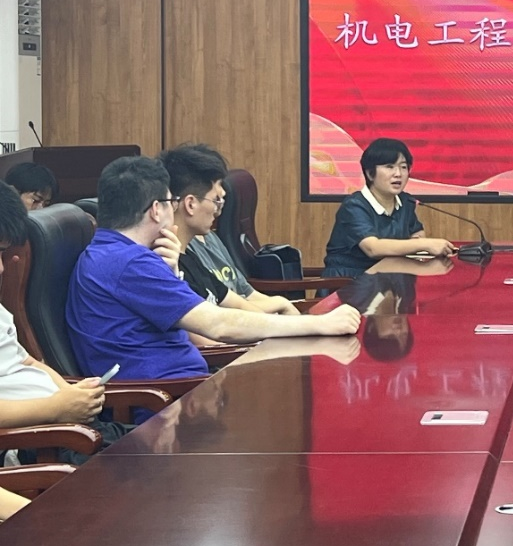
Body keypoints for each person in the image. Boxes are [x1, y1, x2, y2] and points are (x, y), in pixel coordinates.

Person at [66, 157, 360, 381]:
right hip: (167, 405)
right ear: (156, 209)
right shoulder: (130, 263)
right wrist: (320, 324)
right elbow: (218, 325)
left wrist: (172, 271)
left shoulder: (116, 253)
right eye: (170, 202)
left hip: (187, 389)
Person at [0, 182, 130, 466]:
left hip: (65, 427)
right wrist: (56, 407)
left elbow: (26, 361)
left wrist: (69, 395)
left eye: (3, 253)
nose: (1, 267)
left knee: (159, 444)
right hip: (32, 444)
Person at [158, 144, 299, 317]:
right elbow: (214, 326)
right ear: (191, 204)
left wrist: (287, 320)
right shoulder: (167, 262)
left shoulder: (192, 258)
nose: (218, 210)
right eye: (215, 200)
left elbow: (240, 304)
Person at [323, 138, 455, 277]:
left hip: (389, 277)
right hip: (350, 281)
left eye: (403, 167)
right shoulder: (354, 206)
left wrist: (418, 242)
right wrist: (424, 244)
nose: (398, 174)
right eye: (389, 167)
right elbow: (373, 248)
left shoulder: (405, 201)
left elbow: (418, 234)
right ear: (370, 173)